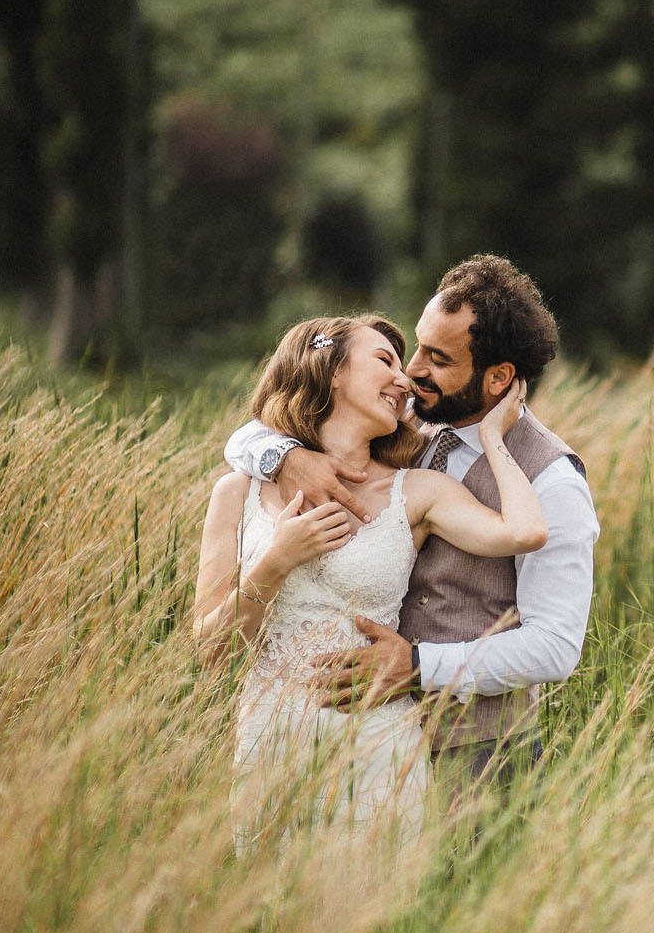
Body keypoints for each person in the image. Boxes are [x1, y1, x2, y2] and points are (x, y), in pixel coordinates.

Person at [221, 255, 600, 802]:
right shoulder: (404, 419)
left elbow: (555, 648)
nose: (412, 371)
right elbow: (253, 430)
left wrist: (419, 666)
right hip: (350, 733)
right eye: (416, 347)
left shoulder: (552, 480)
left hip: (477, 750)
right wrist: (284, 458)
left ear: (497, 378)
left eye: (438, 358)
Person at [193, 314, 547, 849]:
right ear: (332, 372)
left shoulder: (419, 491)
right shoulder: (236, 494)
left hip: (378, 740)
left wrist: (497, 438)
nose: (405, 379)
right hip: (272, 737)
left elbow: (526, 530)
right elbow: (211, 652)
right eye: (384, 360)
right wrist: (276, 561)